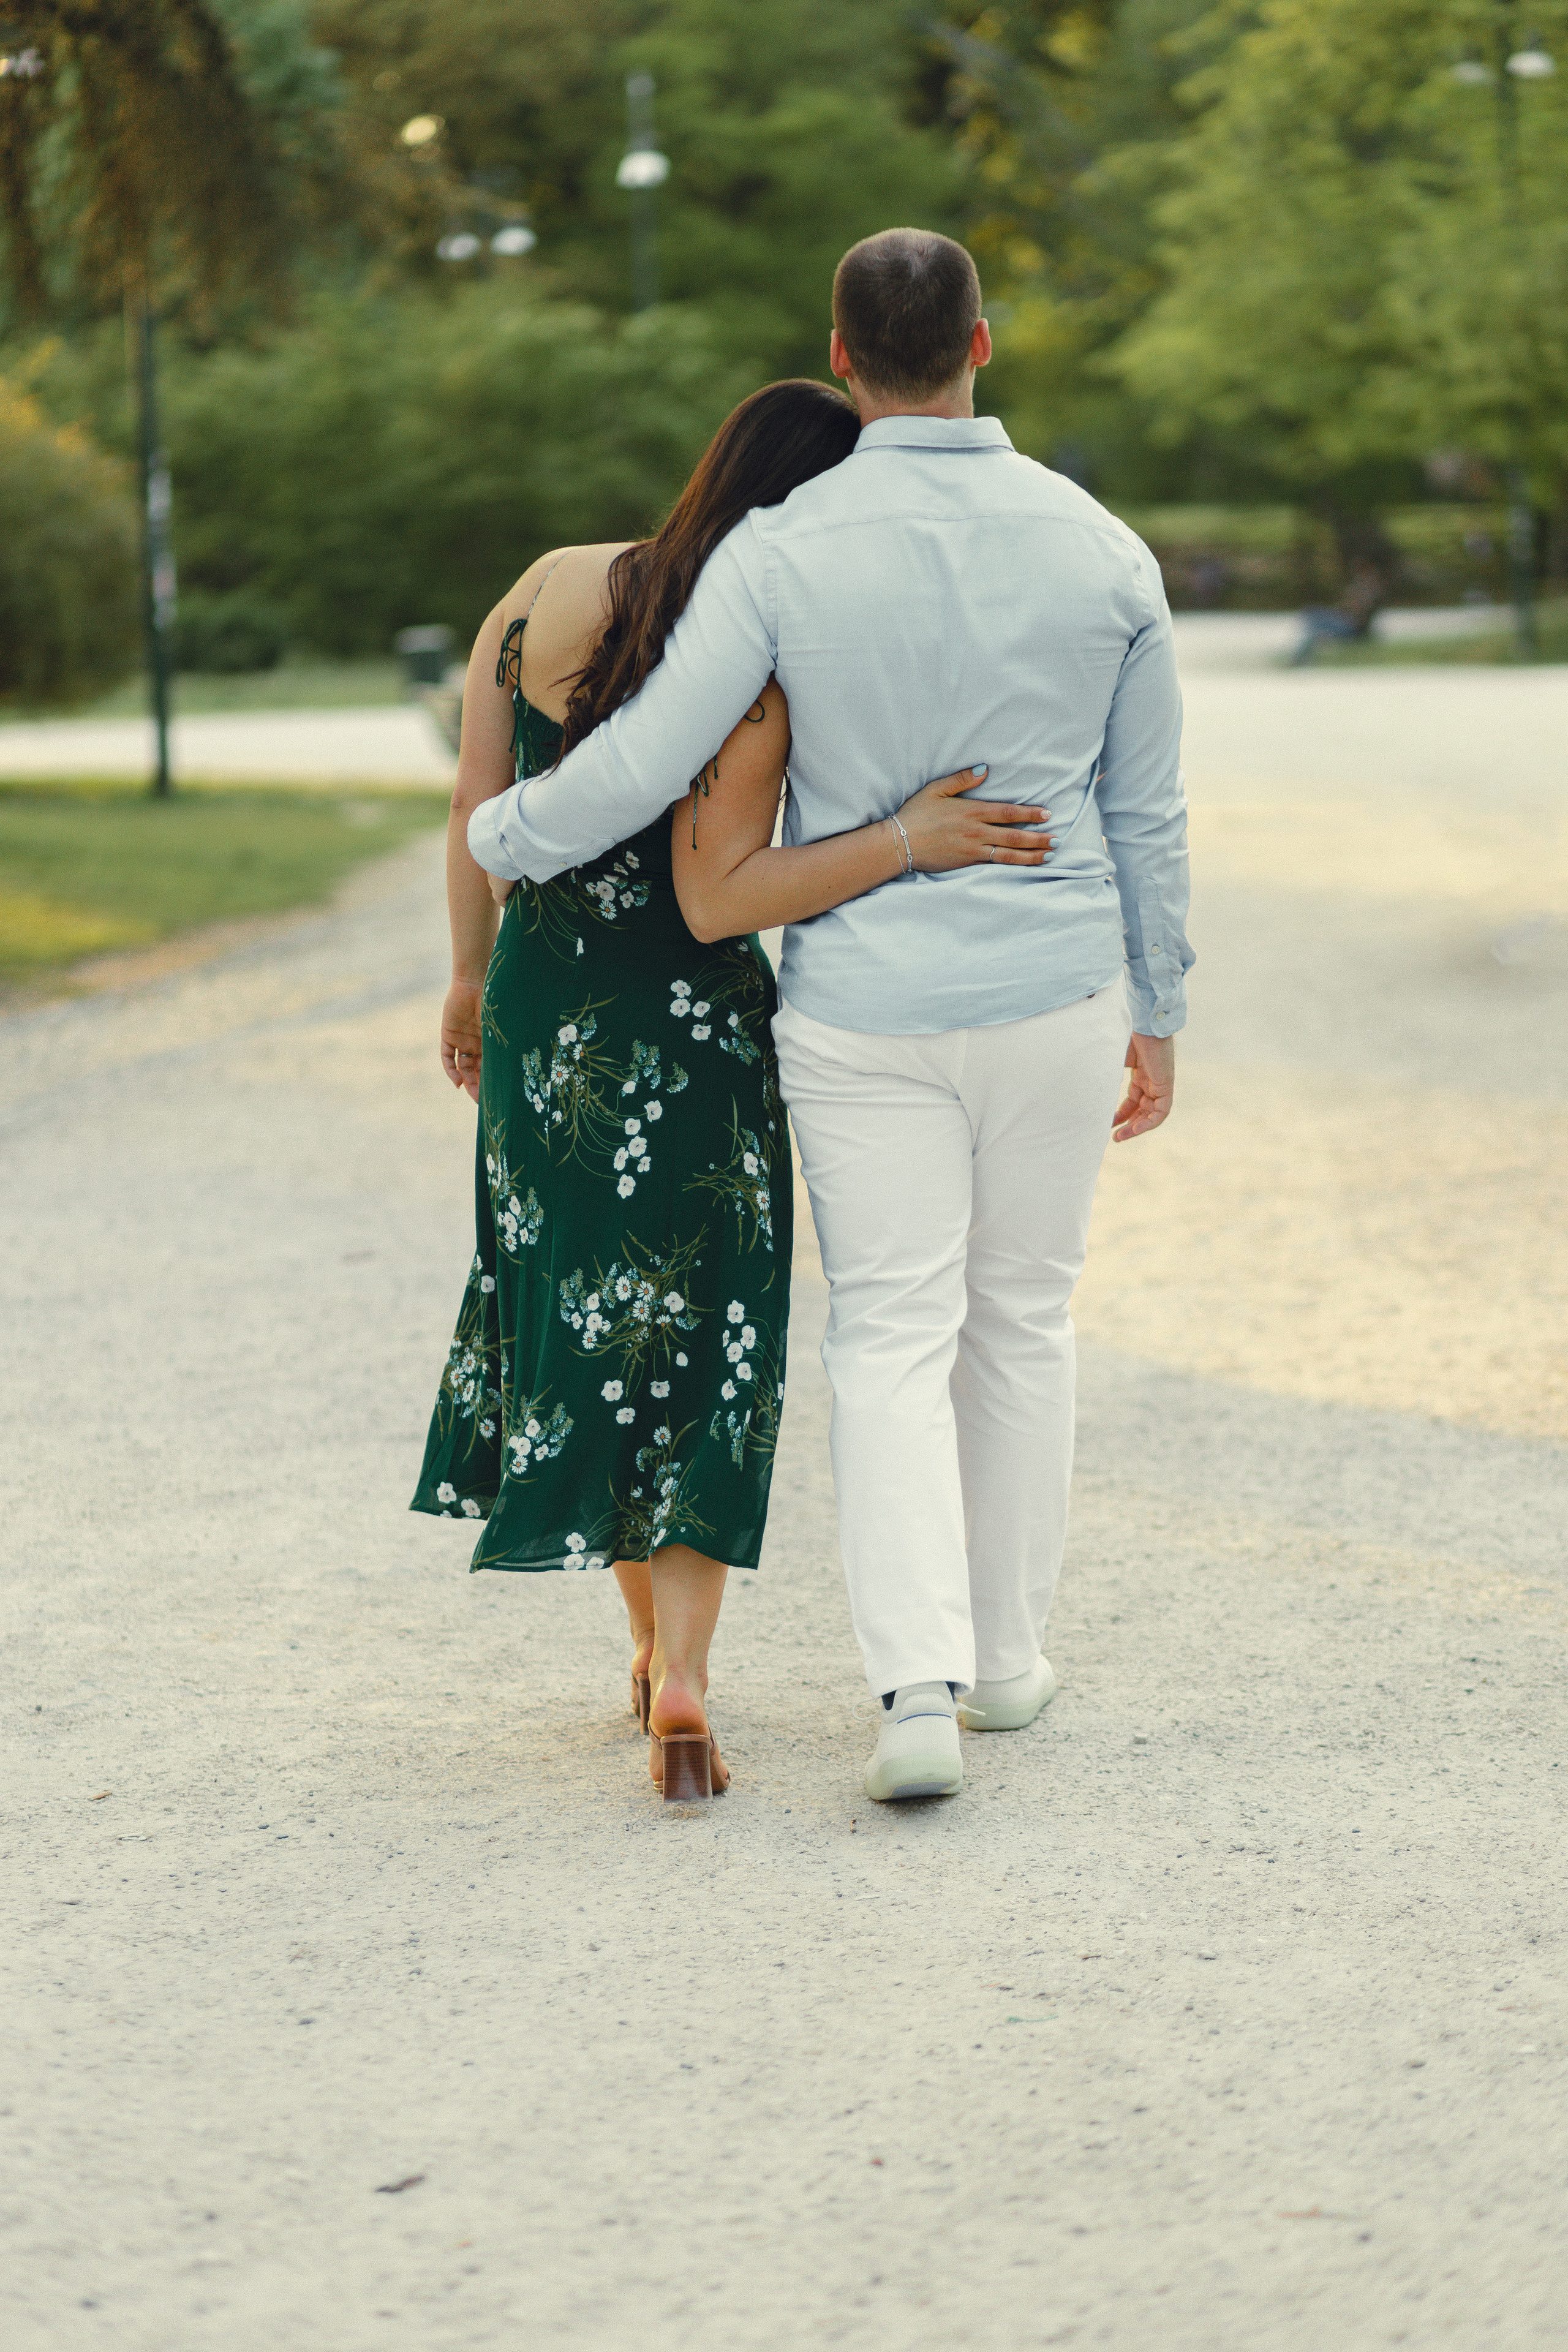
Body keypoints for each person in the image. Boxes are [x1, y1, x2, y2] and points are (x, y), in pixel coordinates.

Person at [466, 228, 1194, 1806]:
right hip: (1057, 991)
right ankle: (1005, 1660)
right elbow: (1148, 817)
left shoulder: (779, 556)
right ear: (983, 344)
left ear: (843, 355)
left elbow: (646, 757)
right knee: (1022, 1319)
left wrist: (502, 840)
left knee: (889, 1331)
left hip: (864, 1011)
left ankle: (914, 1695)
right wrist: (1160, 1007)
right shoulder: (1103, 548)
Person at [413, 375, 1053, 1801]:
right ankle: (690, 1673)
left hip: (544, 1014)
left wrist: (465, 976)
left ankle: (649, 1656)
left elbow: (474, 812)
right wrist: (915, 837)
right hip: (691, 1033)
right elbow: (724, 894)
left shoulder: (544, 593)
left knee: (584, 1313)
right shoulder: (754, 665)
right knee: (701, 1344)